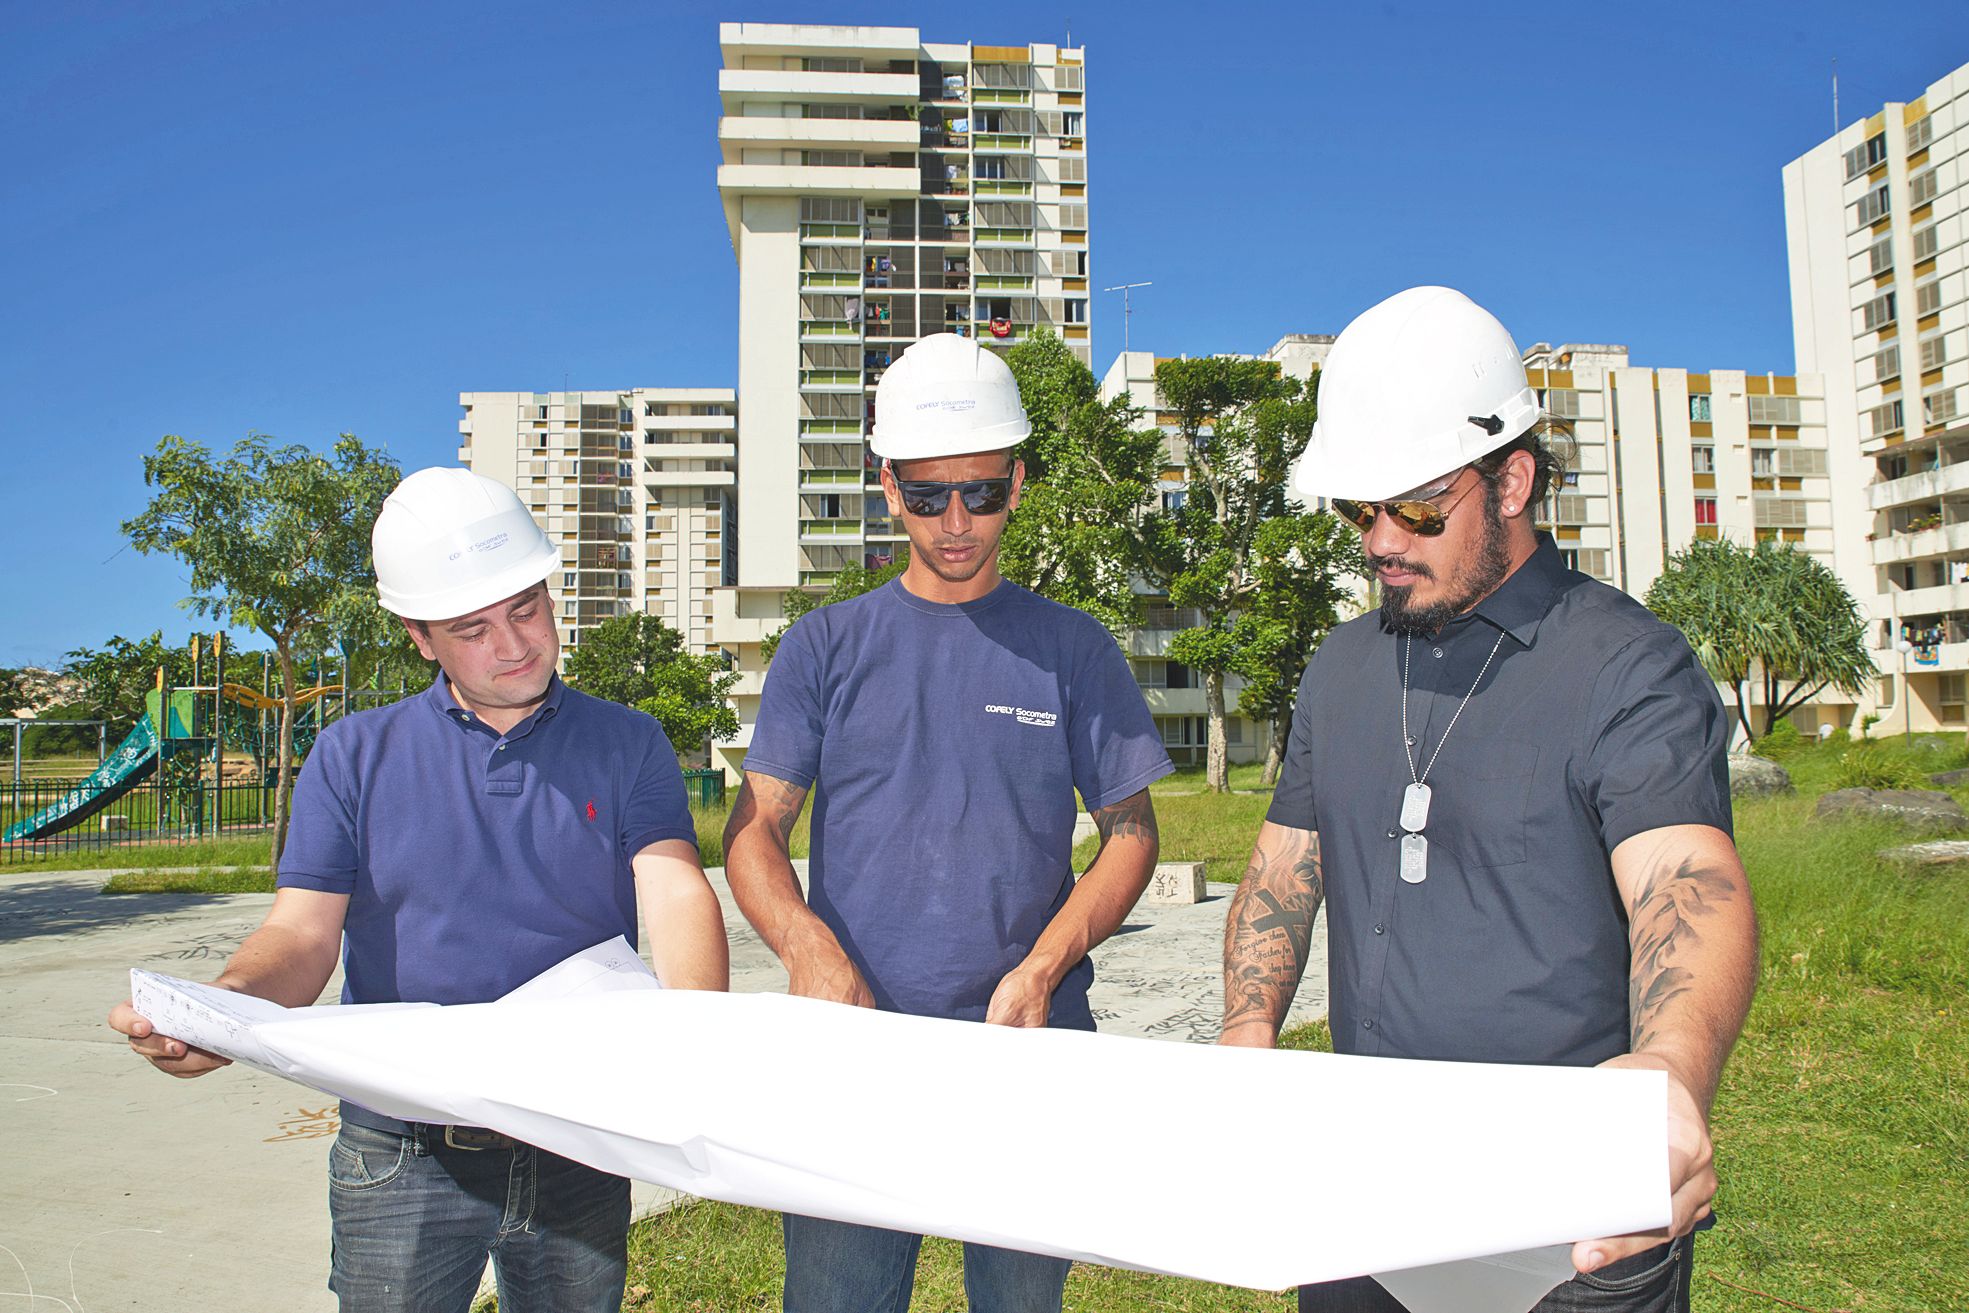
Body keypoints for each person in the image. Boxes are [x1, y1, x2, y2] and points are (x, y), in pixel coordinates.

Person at [1218, 287, 1759, 1313]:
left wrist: (1669, 1070)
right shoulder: (1339, 665)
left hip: (1567, 1227)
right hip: (1360, 1206)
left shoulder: (1626, 666)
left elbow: (1686, 879)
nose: (1378, 539)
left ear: (1512, 478)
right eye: (1356, 509)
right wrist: (1247, 1033)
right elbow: (1281, 869)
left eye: (1415, 505)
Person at [108, 467, 730, 1313]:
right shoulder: (353, 754)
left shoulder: (629, 742)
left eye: (526, 608)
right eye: (472, 627)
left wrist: (703, 1034)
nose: (513, 644)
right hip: (401, 1149)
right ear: (418, 635)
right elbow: (302, 934)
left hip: (579, 1133)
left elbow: (674, 887)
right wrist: (226, 1014)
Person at [724, 332, 1172, 1313]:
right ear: (888, 487)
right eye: (928, 496)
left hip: (1026, 1049)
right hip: (857, 1054)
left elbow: (1130, 831)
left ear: (1017, 479)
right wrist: (808, 949)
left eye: (981, 491)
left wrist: (1042, 967)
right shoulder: (824, 645)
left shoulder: (1071, 648)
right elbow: (752, 827)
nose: (957, 520)